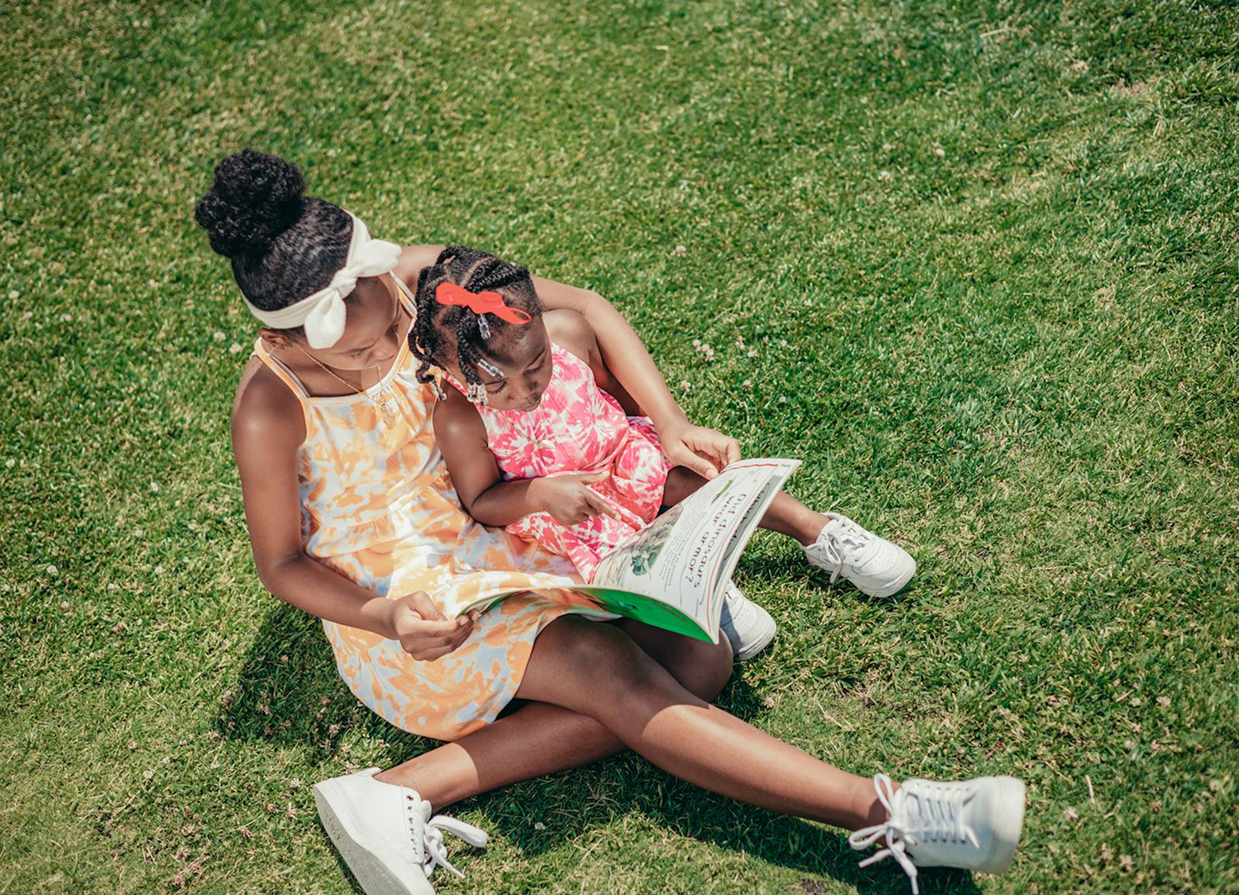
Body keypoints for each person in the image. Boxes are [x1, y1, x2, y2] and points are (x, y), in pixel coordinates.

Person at [196, 149, 1025, 896]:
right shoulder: (270, 405)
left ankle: (405, 787)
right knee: (611, 674)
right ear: (288, 330)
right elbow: (282, 565)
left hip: (507, 535)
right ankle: (894, 813)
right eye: (354, 349)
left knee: (703, 661)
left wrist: (666, 425)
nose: (384, 347)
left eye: (388, 319)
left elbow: (581, 309)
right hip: (406, 603)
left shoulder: (423, 282)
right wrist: (386, 615)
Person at [408, 245, 918, 617]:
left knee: (690, 476)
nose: (525, 391)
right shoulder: (458, 417)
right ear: (451, 371)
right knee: (626, 559)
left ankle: (818, 530)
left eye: (536, 365)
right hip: (569, 512)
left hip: (622, 456)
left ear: (543, 325)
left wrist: (667, 427)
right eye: (497, 386)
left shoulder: (568, 334)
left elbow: (618, 398)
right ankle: (702, 590)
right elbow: (482, 501)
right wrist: (540, 495)